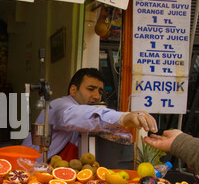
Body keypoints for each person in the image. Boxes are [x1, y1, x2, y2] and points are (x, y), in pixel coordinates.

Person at [22, 68, 158, 162]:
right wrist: (123, 117)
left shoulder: (85, 108)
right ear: (73, 90)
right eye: (91, 89)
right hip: (30, 167)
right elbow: (79, 116)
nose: (97, 96)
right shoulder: (60, 106)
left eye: (100, 91)